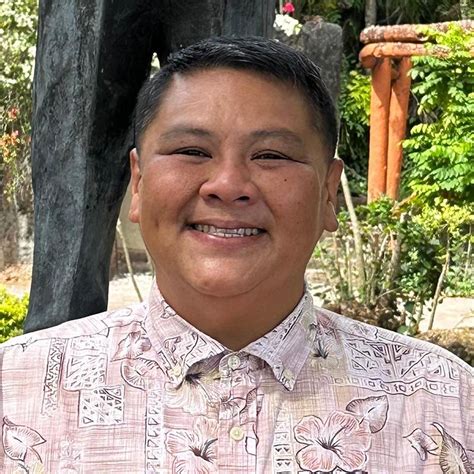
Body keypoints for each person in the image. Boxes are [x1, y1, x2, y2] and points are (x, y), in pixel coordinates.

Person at [0, 37, 472, 473]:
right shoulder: (15, 393)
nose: (227, 186)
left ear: (328, 193)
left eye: (271, 155)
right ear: (139, 183)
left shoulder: (446, 404)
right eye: (191, 150)